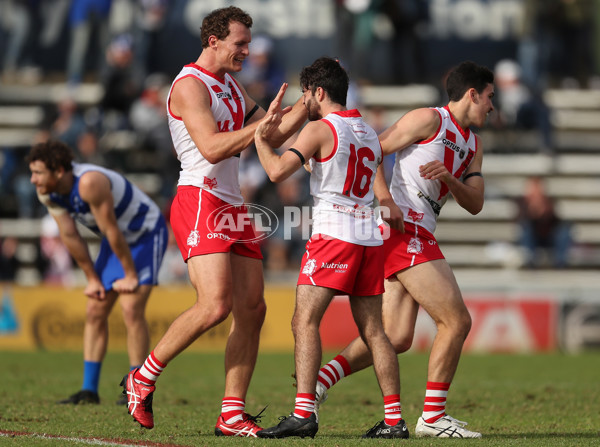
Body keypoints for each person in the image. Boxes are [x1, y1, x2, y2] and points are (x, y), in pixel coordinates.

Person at [120, 6, 307, 436]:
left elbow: (271, 133)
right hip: (200, 197)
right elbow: (211, 147)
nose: (247, 50)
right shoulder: (189, 85)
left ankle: (231, 413)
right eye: (240, 43)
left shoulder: (230, 85)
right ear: (214, 41)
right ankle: (141, 378)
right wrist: (263, 130)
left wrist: (308, 103)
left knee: (253, 309)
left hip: (232, 203)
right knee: (215, 305)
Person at [315, 61, 494, 439]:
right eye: (489, 98)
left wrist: (449, 179)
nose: (492, 108)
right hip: (401, 228)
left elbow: (476, 203)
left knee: (396, 337)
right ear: (473, 94)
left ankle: (320, 380)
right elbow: (371, 151)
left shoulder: (473, 145)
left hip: (417, 230)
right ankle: (432, 417)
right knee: (456, 320)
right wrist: (383, 198)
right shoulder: (429, 120)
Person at [254, 57, 407, 439]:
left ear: (318, 92)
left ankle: (304, 412)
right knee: (375, 332)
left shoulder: (320, 129)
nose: (305, 101)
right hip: (369, 237)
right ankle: (394, 421)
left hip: (333, 236)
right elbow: (332, 169)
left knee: (304, 321)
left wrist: (258, 137)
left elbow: (275, 171)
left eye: (307, 94)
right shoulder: (370, 132)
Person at [27, 139, 168, 405]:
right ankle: (89, 390)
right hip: (116, 241)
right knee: (95, 309)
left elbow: (112, 230)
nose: (33, 179)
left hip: (145, 234)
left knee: (131, 309)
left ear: (58, 170)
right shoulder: (47, 191)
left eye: (38, 172)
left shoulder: (90, 183)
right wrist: (92, 279)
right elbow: (69, 235)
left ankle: (136, 388)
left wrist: (130, 275)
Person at [517, 176, 572, 269]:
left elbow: (557, 221)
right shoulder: (522, 202)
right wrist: (532, 213)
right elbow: (519, 221)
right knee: (526, 229)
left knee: (564, 231)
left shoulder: (549, 201)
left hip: (548, 237)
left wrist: (545, 213)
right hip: (532, 238)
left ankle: (560, 262)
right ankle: (529, 261)